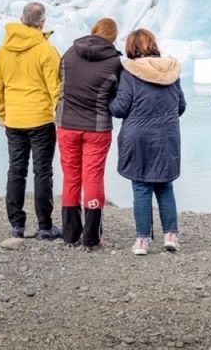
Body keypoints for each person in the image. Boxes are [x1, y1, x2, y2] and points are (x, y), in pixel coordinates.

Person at [108, 28, 186, 255]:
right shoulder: (171, 70)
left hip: (138, 138)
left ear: (131, 47)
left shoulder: (130, 73)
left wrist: (108, 98)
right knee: (165, 185)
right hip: (167, 136)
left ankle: (142, 240)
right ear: (153, 44)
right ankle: (170, 236)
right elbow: (181, 106)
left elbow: (120, 108)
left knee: (141, 187)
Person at [0, 1, 62, 241]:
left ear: (21, 21)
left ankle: (17, 226)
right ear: (42, 23)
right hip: (41, 119)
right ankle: (45, 227)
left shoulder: (2, 51)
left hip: (14, 120)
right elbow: (56, 88)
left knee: (16, 170)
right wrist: (59, 116)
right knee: (43, 172)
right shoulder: (46, 50)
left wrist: (2, 114)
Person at [56, 18, 124, 249]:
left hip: (67, 125)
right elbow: (117, 95)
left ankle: (70, 235)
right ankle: (92, 237)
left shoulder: (69, 54)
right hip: (96, 128)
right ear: (113, 37)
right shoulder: (114, 63)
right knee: (93, 177)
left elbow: (61, 82)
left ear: (93, 30)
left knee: (71, 176)